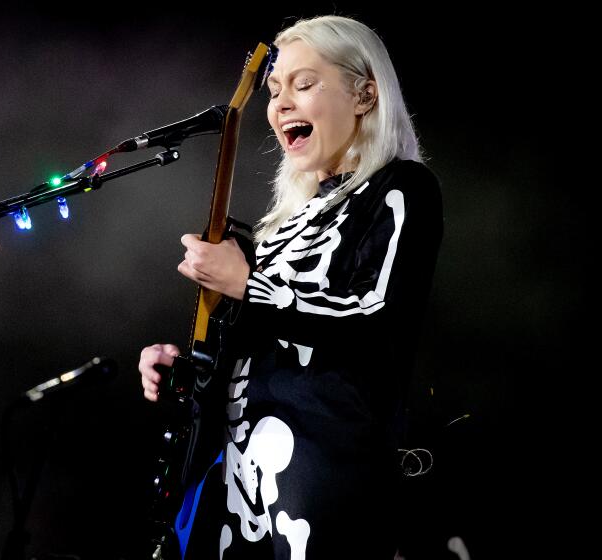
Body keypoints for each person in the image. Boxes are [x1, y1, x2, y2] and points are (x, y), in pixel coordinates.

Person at [139, 15, 442, 559]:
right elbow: (260, 351)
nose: (279, 105)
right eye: (275, 91)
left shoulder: (401, 187)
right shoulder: (278, 228)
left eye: (304, 85)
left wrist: (249, 286)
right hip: (231, 484)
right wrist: (186, 369)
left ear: (365, 94)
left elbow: (374, 321)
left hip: (326, 475)